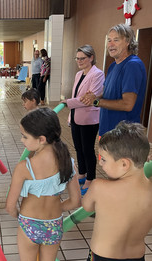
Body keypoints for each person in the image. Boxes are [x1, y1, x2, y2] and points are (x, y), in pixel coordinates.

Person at [6, 108, 81, 261]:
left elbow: (10, 206)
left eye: (25, 136)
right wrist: (56, 207)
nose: (22, 139)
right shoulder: (67, 162)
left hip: (29, 223)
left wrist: (19, 215)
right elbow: (76, 201)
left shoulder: (24, 167)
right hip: (53, 224)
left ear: (41, 139)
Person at [82, 121, 152, 261]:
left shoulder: (99, 187)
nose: (100, 163)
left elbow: (86, 207)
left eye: (104, 159)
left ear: (124, 164)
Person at [80, 24, 147, 137]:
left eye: (116, 40)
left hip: (123, 136)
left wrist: (96, 102)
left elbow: (127, 104)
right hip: (107, 131)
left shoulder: (132, 65)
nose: (110, 44)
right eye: (109, 40)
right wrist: (94, 97)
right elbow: (108, 94)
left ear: (128, 42)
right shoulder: (113, 66)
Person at [62, 45, 105, 195]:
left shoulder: (97, 74)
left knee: (87, 149)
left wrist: (67, 102)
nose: (79, 61)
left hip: (89, 118)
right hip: (76, 117)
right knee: (78, 148)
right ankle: (82, 173)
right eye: (77, 58)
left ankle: (91, 178)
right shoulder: (79, 74)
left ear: (91, 58)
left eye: (83, 58)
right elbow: (78, 96)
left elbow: (88, 99)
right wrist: (70, 110)